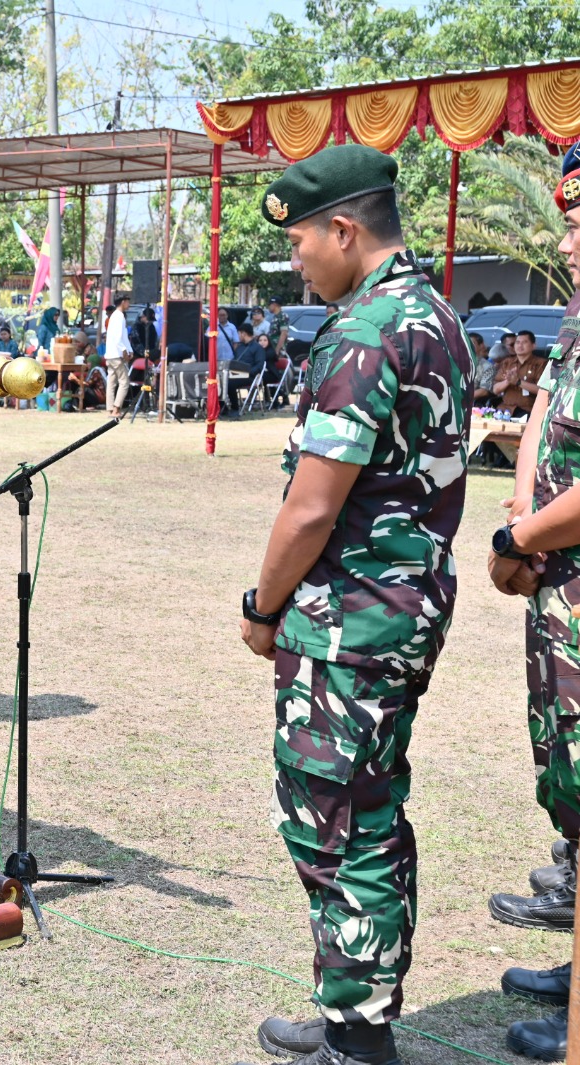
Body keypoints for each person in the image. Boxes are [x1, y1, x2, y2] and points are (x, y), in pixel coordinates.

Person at [238, 144, 471, 1065]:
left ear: (345, 228)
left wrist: (263, 604)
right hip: (403, 609)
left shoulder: (368, 329)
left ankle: (359, 1034)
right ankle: (355, 1010)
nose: (297, 259)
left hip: (352, 620)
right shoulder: (438, 315)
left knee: (335, 821)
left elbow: (311, 504)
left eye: (301, 240)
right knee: (368, 809)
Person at [481, 142, 580, 1063]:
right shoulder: (579, 318)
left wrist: (523, 538)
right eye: (572, 220)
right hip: (557, 584)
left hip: (569, 575)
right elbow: (540, 423)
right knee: (569, 771)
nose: (575, 238)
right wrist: (520, 507)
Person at [493, 330, 548, 417]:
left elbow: (543, 390)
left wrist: (518, 382)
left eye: (524, 342)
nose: (520, 345)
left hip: (528, 411)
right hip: (505, 409)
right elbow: (495, 390)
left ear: (533, 346)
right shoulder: (507, 362)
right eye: (517, 342)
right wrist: (507, 381)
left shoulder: (541, 364)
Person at [103, 294, 133, 419]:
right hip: (116, 354)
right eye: (127, 302)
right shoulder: (119, 316)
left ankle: (110, 409)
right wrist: (125, 350)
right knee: (124, 382)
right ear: (123, 302)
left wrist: (129, 349)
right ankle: (116, 408)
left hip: (110, 354)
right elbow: (118, 337)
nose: (129, 304)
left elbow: (123, 336)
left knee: (111, 382)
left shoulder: (115, 316)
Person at [468, 332, 498, 406]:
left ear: (481, 346)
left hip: (472, 403)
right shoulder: (455, 364)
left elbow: (484, 391)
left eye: (472, 343)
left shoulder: (487, 366)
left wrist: (462, 399)